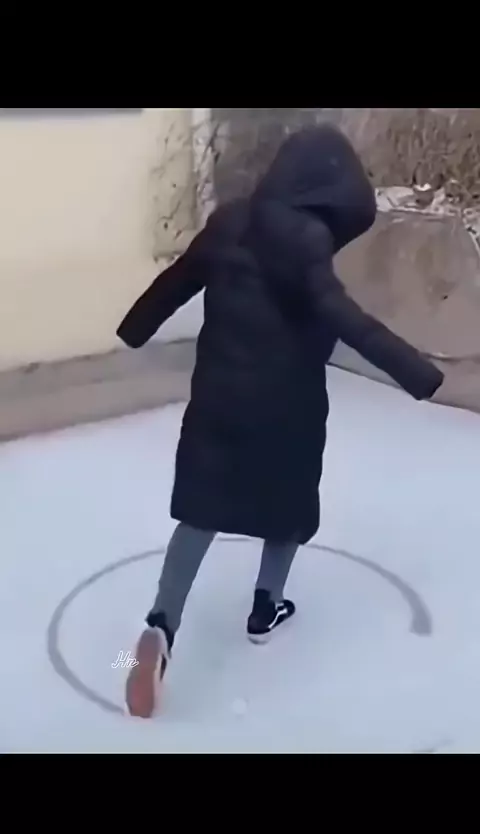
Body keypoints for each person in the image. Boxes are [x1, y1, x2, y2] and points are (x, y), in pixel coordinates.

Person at [117, 124, 444, 718]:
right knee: (287, 505)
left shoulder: (229, 222)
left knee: (201, 510)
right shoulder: (307, 241)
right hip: (287, 407)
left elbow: (176, 282)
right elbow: (345, 317)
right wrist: (416, 373)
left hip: (218, 399)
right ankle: (265, 609)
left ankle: (160, 626)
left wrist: (135, 328)